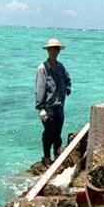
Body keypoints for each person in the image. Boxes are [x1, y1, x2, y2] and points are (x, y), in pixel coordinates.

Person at [35, 38, 71, 167]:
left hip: (59, 105)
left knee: (58, 133)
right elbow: (40, 88)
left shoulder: (61, 67)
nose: (53, 51)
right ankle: (46, 157)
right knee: (49, 133)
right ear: (48, 50)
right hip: (47, 106)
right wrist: (40, 108)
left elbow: (68, 79)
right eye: (51, 49)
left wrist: (67, 90)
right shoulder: (42, 68)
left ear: (58, 51)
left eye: (56, 49)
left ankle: (57, 156)